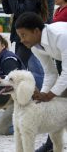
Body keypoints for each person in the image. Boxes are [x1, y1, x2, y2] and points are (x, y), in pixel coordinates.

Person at [15, 12, 67, 152]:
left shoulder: (61, 37)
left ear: (36, 31)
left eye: (24, 35)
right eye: (20, 36)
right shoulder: (34, 46)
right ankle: (53, 145)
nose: (21, 40)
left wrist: (50, 95)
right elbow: (50, 72)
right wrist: (43, 94)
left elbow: (66, 73)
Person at [1, 0, 47, 89]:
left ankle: (35, 93)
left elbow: (19, 11)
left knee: (19, 68)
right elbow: (8, 10)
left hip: (28, 37)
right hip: (23, 37)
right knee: (31, 66)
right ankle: (37, 92)